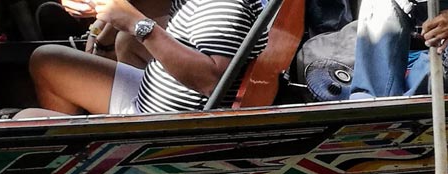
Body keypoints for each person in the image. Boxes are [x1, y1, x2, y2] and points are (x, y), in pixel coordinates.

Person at [19, 0, 264, 116]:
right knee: (47, 60)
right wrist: (104, 10)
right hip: (152, 99)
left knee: (26, 119)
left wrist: (137, 24)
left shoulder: (222, 5)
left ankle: (81, 162)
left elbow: (212, 81)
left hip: (168, 127)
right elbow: (153, 6)